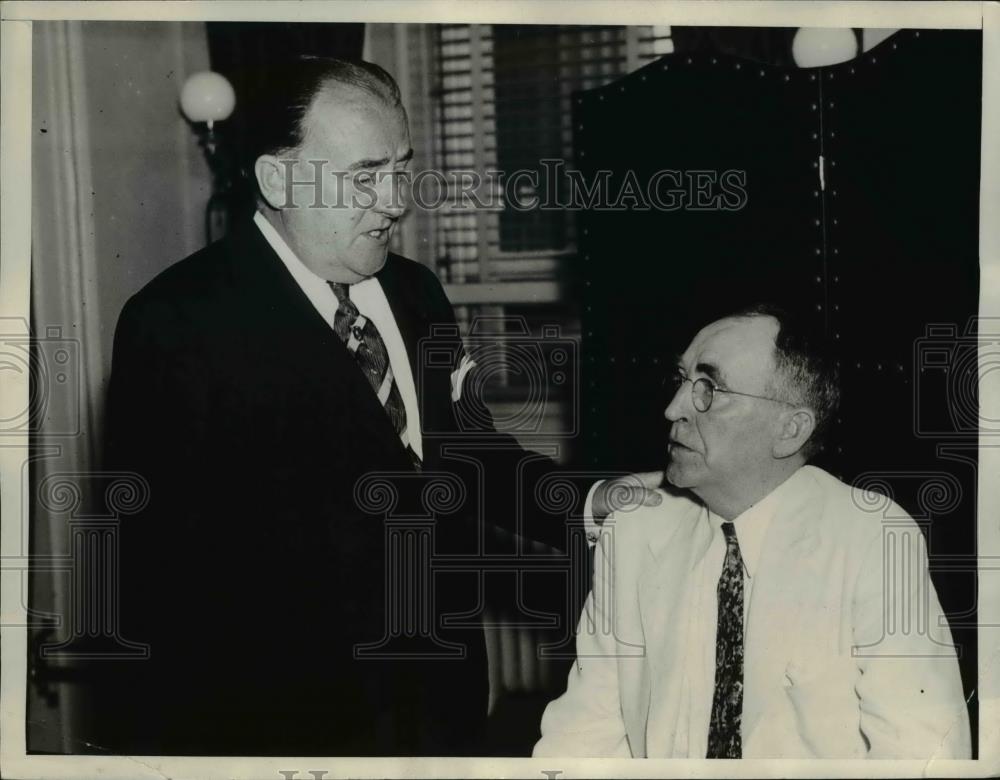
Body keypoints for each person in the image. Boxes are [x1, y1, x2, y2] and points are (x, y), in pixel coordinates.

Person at [90, 57, 648, 757]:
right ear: (276, 179)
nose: (395, 200)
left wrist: (591, 500)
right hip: (290, 732)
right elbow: (160, 587)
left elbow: (470, 459)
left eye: (401, 168)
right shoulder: (178, 324)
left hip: (442, 707)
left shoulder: (416, 292)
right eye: (365, 176)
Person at [534, 304, 971, 759]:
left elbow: (923, 754)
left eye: (710, 388)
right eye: (681, 379)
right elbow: (583, 738)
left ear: (790, 429)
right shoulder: (634, 530)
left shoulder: (872, 538)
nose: (673, 409)